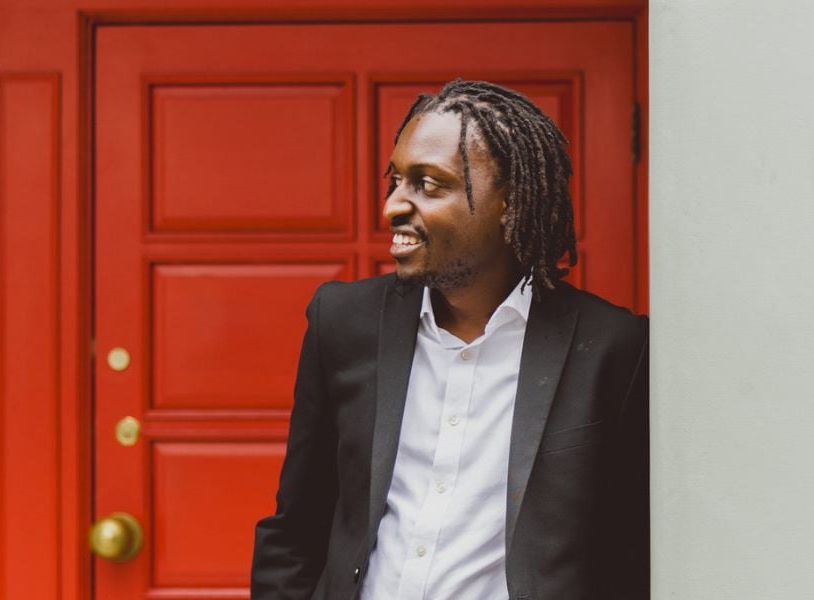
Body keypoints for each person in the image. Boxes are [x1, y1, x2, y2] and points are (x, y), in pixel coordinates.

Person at [250, 79, 649, 600]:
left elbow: (629, 552)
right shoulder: (344, 322)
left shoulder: (614, 349)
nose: (394, 204)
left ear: (510, 203)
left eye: (428, 184)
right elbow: (296, 526)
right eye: (396, 180)